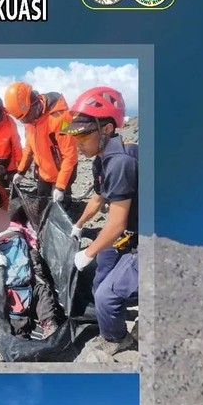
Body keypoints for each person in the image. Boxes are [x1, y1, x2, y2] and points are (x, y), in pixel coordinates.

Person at [66, 86, 138, 355]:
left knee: (107, 295)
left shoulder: (119, 162)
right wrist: (79, 225)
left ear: (106, 129)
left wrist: (88, 252)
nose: (78, 142)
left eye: (83, 135)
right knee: (101, 274)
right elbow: (98, 199)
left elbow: (117, 224)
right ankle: (114, 307)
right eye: (75, 135)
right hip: (132, 230)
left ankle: (119, 340)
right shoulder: (101, 160)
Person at [4, 81, 78, 226]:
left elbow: (70, 155)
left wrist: (61, 187)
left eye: (26, 117)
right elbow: (29, 149)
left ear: (33, 104)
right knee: (42, 206)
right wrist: (21, 171)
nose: (25, 121)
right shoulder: (29, 121)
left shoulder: (63, 118)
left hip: (63, 173)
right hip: (43, 173)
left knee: (61, 206)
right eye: (22, 119)